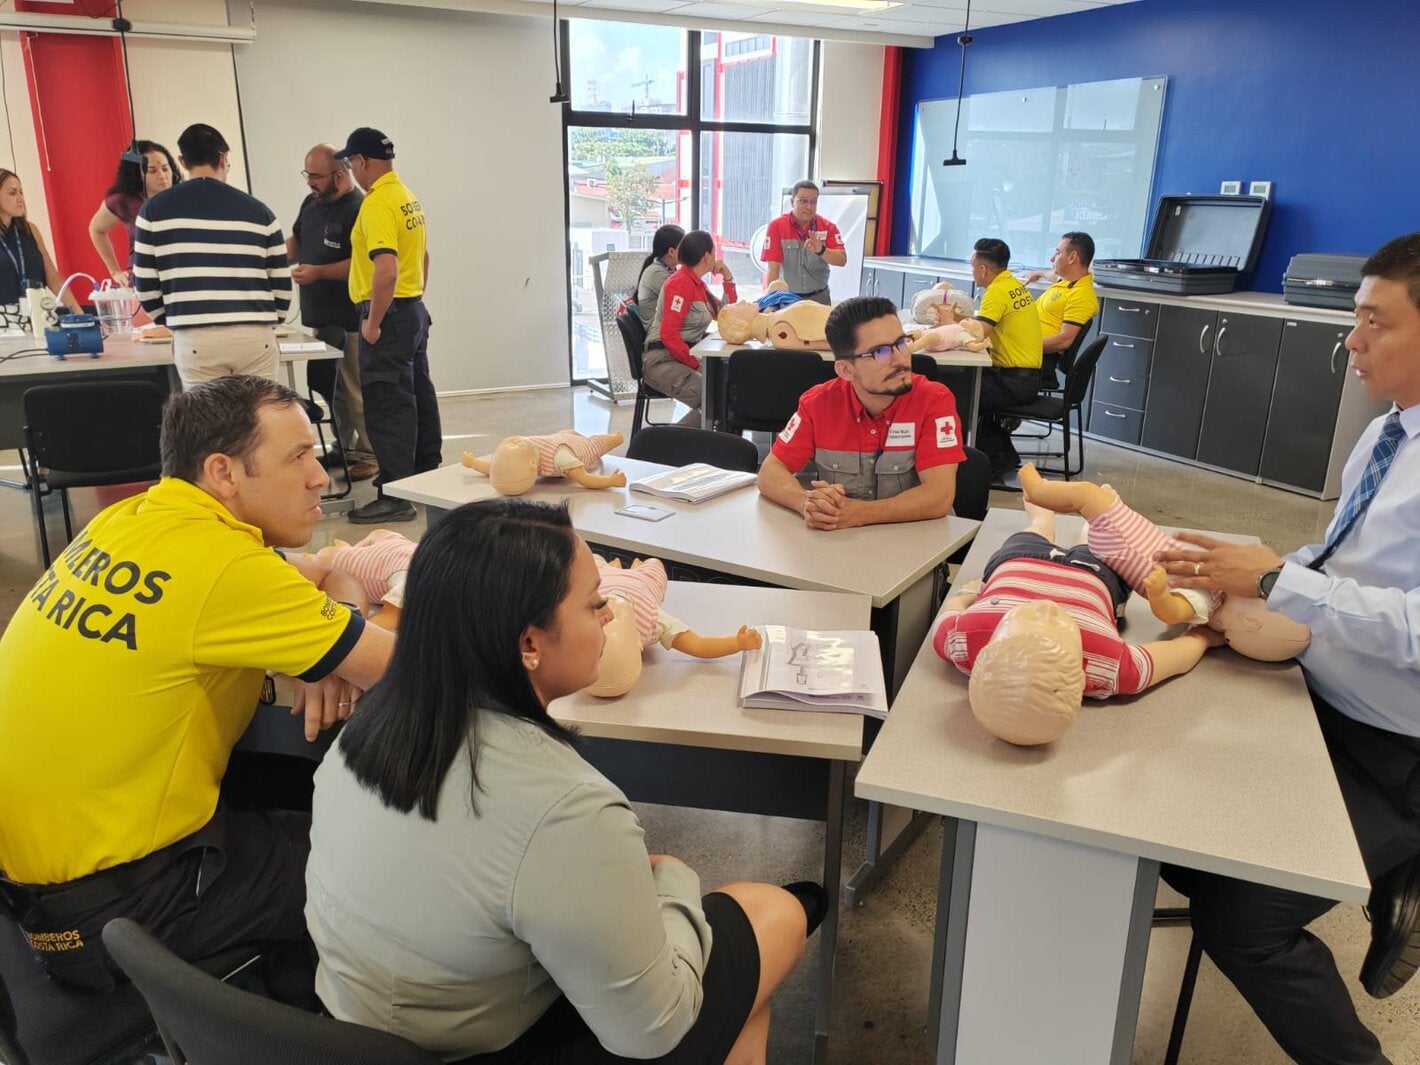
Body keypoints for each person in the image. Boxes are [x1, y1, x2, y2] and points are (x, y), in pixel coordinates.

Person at [306, 499, 821, 1063]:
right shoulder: (564, 806)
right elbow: (652, 1029)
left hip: (361, 1028)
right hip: (487, 1043)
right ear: (529, 643)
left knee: (746, 1001)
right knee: (777, 914)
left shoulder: (364, 731)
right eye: (596, 603)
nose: (608, 616)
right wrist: (674, 876)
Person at [0, 375, 395, 993]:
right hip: (119, 911)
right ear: (224, 472)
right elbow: (416, 671)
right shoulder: (226, 569)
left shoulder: (130, 520)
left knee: (305, 790)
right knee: (388, 857)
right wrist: (339, 648)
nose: (321, 476)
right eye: (297, 457)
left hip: (36, 893)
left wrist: (328, 641)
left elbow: (322, 570)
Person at [1152, 231, 1420, 1065]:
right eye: (1353, 318)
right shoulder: (1391, 433)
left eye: (1374, 322)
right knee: (1173, 828)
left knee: (1241, 919)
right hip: (1320, 696)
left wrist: (1283, 585)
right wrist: (1251, 574)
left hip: (1397, 752)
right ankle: (1388, 879)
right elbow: (1338, 560)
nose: (1351, 341)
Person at [757, 295, 963, 530]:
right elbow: (770, 472)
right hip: (840, 548)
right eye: (880, 352)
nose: (900, 359)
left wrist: (858, 514)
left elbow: (939, 497)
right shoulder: (818, 404)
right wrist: (807, 503)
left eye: (901, 343)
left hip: (913, 549)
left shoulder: (934, 400)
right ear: (845, 370)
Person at [132, 124, 291, 389]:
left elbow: (145, 286)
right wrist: (271, 320)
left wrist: (173, 320)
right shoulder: (260, 211)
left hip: (195, 337)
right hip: (254, 334)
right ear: (223, 158)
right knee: (260, 422)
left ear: (182, 161)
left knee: (209, 424)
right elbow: (281, 286)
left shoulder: (153, 211)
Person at [336, 127, 441, 524]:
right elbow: (424, 257)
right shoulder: (407, 197)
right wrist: (412, 300)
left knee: (387, 405)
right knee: (417, 395)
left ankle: (396, 495)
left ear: (361, 162)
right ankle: (425, 474)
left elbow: (385, 270)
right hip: (412, 310)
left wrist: (375, 322)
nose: (351, 171)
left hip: (390, 314)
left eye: (350, 164)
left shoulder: (378, 203)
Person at [287, 143, 377, 483]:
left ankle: (369, 453)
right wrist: (268, 258)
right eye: (307, 174)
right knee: (334, 391)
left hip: (350, 318)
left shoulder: (359, 208)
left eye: (315, 176)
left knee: (355, 389)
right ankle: (346, 447)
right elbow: (296, 242)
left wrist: (319, 273)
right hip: (320, 317)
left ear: (339, 175)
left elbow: (364, 264)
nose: (309, 182)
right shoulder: (312, 203)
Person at [969, 237, 1043, 480]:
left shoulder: (997, 291)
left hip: (1014, 382)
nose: (972, 271)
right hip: (1024, 377)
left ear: (982, 269)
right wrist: (959, 318)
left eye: (972, 266)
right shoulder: (1012, 284)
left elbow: (978, 333)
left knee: (961, 397)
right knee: (969, 389)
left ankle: (986, 462)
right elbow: (981, 324)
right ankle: (1001, 455)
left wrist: (948, 324)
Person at [645, 230, 736, 428]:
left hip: (679, 357)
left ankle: (715, 445)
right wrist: (695, 364)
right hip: (662, 359)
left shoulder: (697, 285)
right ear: (707, 256)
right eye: (714, 252)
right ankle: (671, 444)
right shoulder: (680, 284)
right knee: (713, 396)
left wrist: (728, 279)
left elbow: (726, 315)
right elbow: (668, 335)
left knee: (726, 390)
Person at [88, 140, 180, 284]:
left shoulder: (182, 197)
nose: (162, 176)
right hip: (144, 282)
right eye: (152, 171)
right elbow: (96, 229)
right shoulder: (124, 201)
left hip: (180, 279)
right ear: (137, 173)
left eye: (165, 168)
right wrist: (114, 271)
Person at [0, 168, 82, 320]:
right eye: (12, 193)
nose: (20, 198)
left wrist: (79, 313)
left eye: (21, 192)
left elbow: (53, 278)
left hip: (38, 315)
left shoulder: (30, 230)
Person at [1024, 231, 1098, 376]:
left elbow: (1064, 340)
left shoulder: (1081, 295)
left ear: (1072, 257)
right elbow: (1052, 274)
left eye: (1057, 253)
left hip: (1035, 361)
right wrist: (1037, 273)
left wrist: (1023, 346)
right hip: (1026, 350)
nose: (1052, 258)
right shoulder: (1065, 280)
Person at [760, 180, 846, 304]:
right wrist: (770, 302)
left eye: (813, 202)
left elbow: (842, 260)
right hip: (787, 299)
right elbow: (773, 269)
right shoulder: (776, 226)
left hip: (819, 299)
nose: (809, 207)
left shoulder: (828, 227)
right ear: (792, 202)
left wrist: (821, 250)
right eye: (803, 201)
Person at [636, 223, 684, 334]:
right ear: (672, 251)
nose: (689, 250)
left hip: (672, 331)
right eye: (684, 246)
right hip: (660, 337)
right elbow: (685, 299)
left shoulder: (669, 270)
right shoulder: (656, 273)